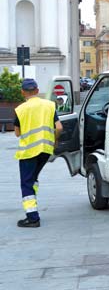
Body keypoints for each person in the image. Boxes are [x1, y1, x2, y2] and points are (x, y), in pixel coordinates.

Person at [13, 79, 63, 228]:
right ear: (36, 90)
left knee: (26, 183)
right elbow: (59, 127)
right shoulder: (49, 105)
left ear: (23, 92)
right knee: (33, 179)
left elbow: (17, 133)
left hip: (28, 151)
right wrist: (55, 141)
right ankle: (32, 204)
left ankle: (32, 217)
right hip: (45, 150)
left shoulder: (20, 109)